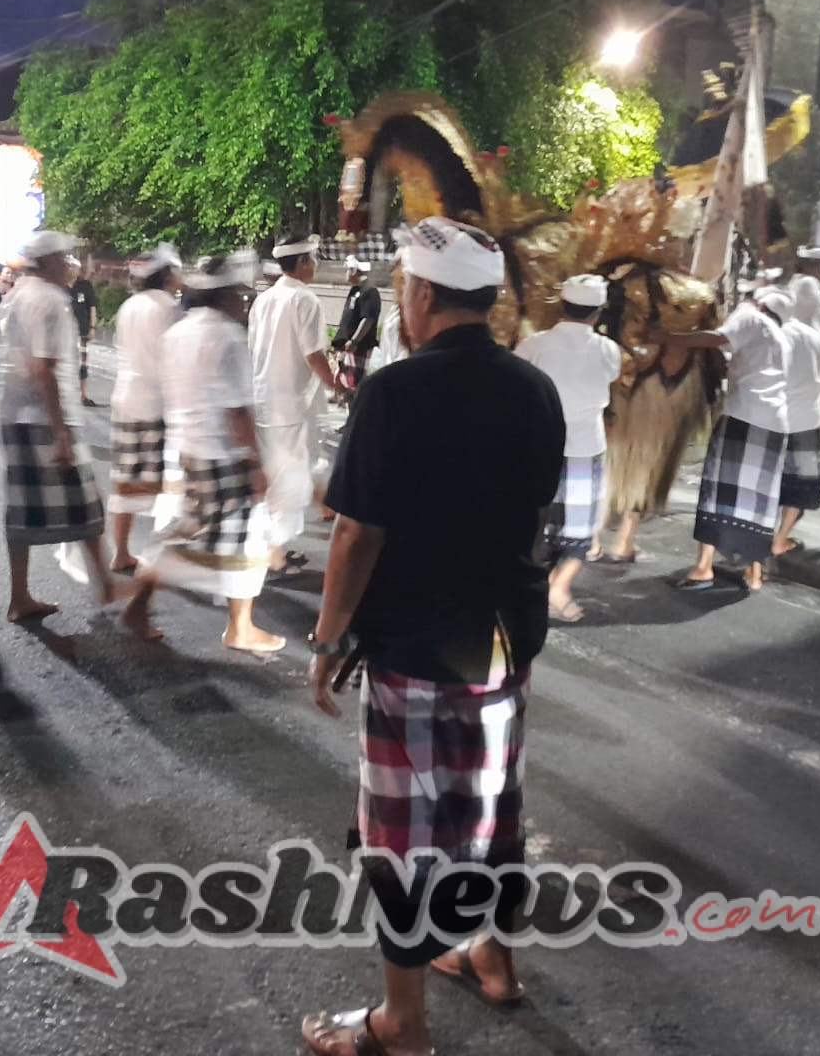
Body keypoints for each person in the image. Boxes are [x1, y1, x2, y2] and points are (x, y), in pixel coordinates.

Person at [301, 217, 565, 1056]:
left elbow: (355, 534)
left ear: (418, 294)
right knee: (489, 812)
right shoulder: (534, 389)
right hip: (502, 644)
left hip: (417, 646)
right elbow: (535, 514)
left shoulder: (395, 392)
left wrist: (328, 637)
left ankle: (401, 1026)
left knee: (405, 837)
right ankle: (493, 960)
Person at [123, 250, 284, 653]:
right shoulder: (227, 336)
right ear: (227, 296)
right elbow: (237, 411)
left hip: (190, 449)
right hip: (223, 454)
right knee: (238, 540)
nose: (244, 302)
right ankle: (238, 627)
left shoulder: (180, 331)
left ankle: (151, 605)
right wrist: (257, 465)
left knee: (192, 534)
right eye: (241, 296)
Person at [0, 231, 123, 622]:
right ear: (49, 261)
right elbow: (43, 369)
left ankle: (26, 595)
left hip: (17, 417)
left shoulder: (19, 293)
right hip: (43, 420)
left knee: (26, 512)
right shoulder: (49, 299)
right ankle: (104, 585)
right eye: (66, 257)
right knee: (86, 508)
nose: (71, 264)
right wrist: (60, 432)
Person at [652, 285, 789, 592]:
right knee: (758, 500)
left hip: (743, 418)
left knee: (718, 490)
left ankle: (703, 568)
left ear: (760, 303)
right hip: (775, 424)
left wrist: (666, 338)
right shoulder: (781, 337)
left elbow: (716, 339)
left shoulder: (752, 318)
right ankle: (754, 574)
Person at [514, 273, 621, 622]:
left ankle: (532, 587)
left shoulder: (534, 344)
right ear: (598, 313)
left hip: (537, 447)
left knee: (531, 520)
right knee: (579, 526)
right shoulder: (608, 349)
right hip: (585, 448)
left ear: (562, 305)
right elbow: (611, 378)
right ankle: (559, 587)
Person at [248, 234, 340, 577]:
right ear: (301, 263)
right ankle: (275, 556)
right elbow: (313, 353)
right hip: (291, 405)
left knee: (276, 478)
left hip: (264, 400)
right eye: (313, 259)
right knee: (289, 481)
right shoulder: (304, 300)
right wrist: (336, 388)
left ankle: (277, 547)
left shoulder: (264, 299)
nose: (315, 266)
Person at [107, 242, 184, 574]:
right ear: (166, 275)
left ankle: (121, 552)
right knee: (171, 482)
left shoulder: (130, 306)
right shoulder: (169, 308)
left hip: (126, 399)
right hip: (158, 404)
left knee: (126, 480)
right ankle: (168, 553)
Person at [771, 291, 820, 557]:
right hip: (805, 421)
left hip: (770, 420)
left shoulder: (769, 335)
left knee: (766, 483)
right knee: (800, 488)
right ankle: (780, 540)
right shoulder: (814, 337)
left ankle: (757, 542)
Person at [331, 256, 381, 395]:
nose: (346, 273)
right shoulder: (355, 290)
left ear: (354, 270)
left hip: (358, 347)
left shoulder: (370, 291)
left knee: (355, 384)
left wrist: (354, 340)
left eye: (348, 269)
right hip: (345, 346)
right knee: (343, 381)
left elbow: (368, 318)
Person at [69, 268, 100, 407]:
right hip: (65, 334)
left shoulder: (85, 286)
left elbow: (92, 307)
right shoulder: (60, 287)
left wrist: (92, 327)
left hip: (82, 332)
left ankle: (83, 395)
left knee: (82, 365)